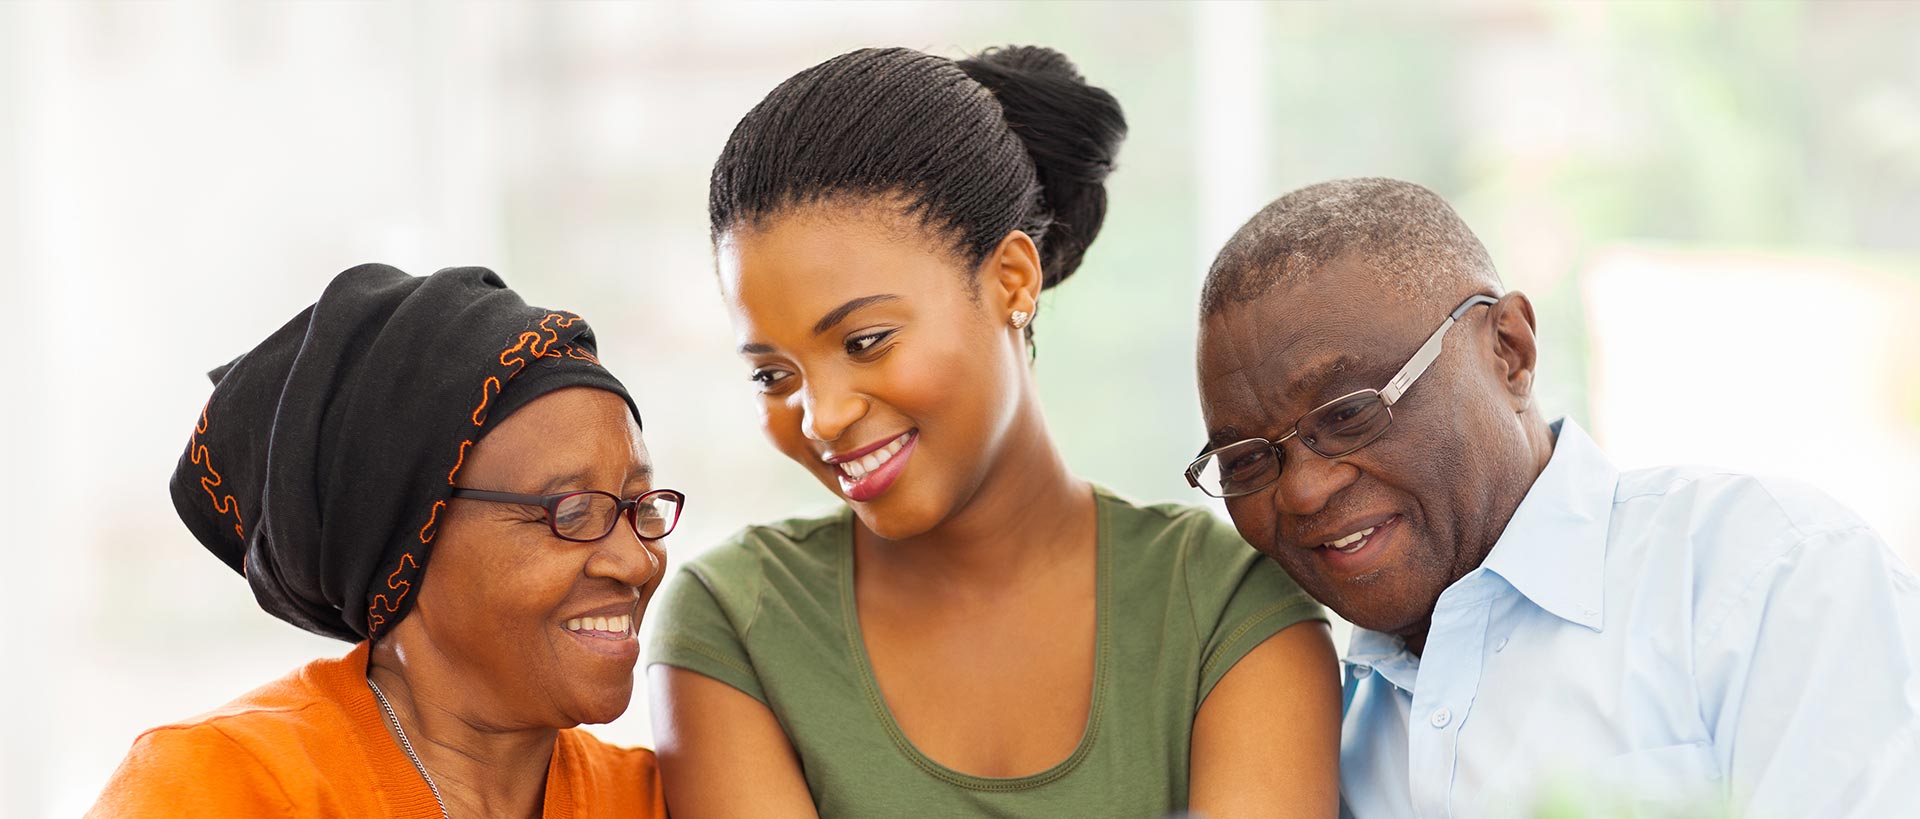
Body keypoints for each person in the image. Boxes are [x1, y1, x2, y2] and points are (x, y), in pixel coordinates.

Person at [647, 46, 1341, 819]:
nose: (822, 415)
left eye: (865, 340)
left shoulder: (1225, 606)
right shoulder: (735, 623)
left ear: (1012, 279)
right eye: (773, 375)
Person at [1188, 177, 1920, 817]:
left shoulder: (1766, 579)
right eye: (1247, 459)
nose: (1305, 489)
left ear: (1510, 350)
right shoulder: (1304, 725)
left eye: (1348, 413)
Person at [90, 264, 679, 818]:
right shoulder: (217, 791)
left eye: (640, 506)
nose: (634, 560)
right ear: (408, 539)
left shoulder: (667, 798)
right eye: (571, 511)